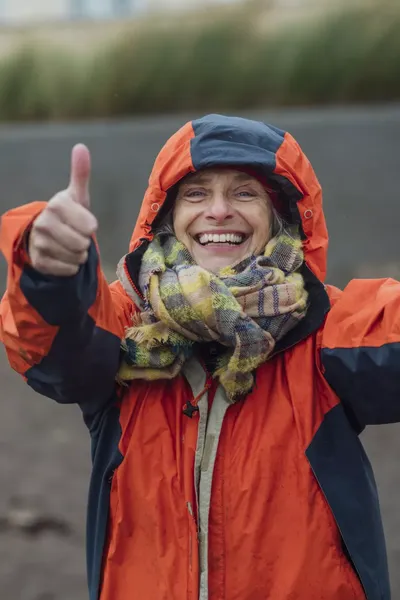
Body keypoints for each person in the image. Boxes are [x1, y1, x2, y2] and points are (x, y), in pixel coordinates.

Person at [0, 114, 397, 600]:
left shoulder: (322, 326)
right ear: (165, 217)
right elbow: (53, 353)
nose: (218, 211)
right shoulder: (127, 328)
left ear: (283, 217)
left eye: (245, 193)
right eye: (196, 193)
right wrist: (50, 275)